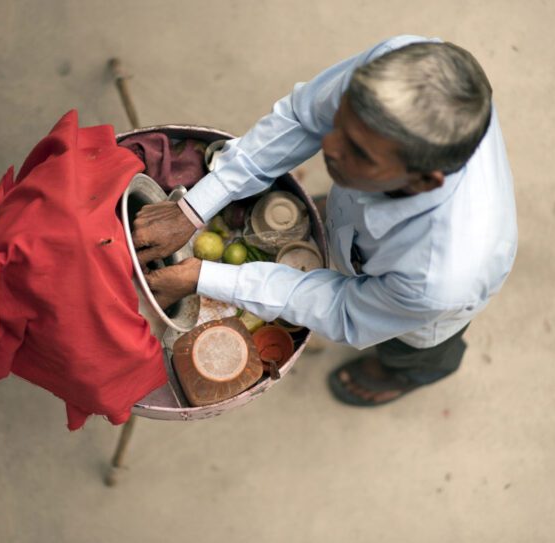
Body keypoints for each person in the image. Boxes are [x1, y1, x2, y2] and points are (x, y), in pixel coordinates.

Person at [130, 35, 517, 406]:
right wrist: (192, 209)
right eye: (341, 124)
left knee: (414, 350)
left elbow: (344, 309)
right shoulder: (402, 69)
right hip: (370, 224)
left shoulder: (440, 276)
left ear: (422, 180)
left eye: (358, 153)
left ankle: (405, 375)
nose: (328, 148)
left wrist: (203, 277)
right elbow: (304, 118)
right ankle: (344, 225)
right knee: (332, 217)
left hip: (421, 313)